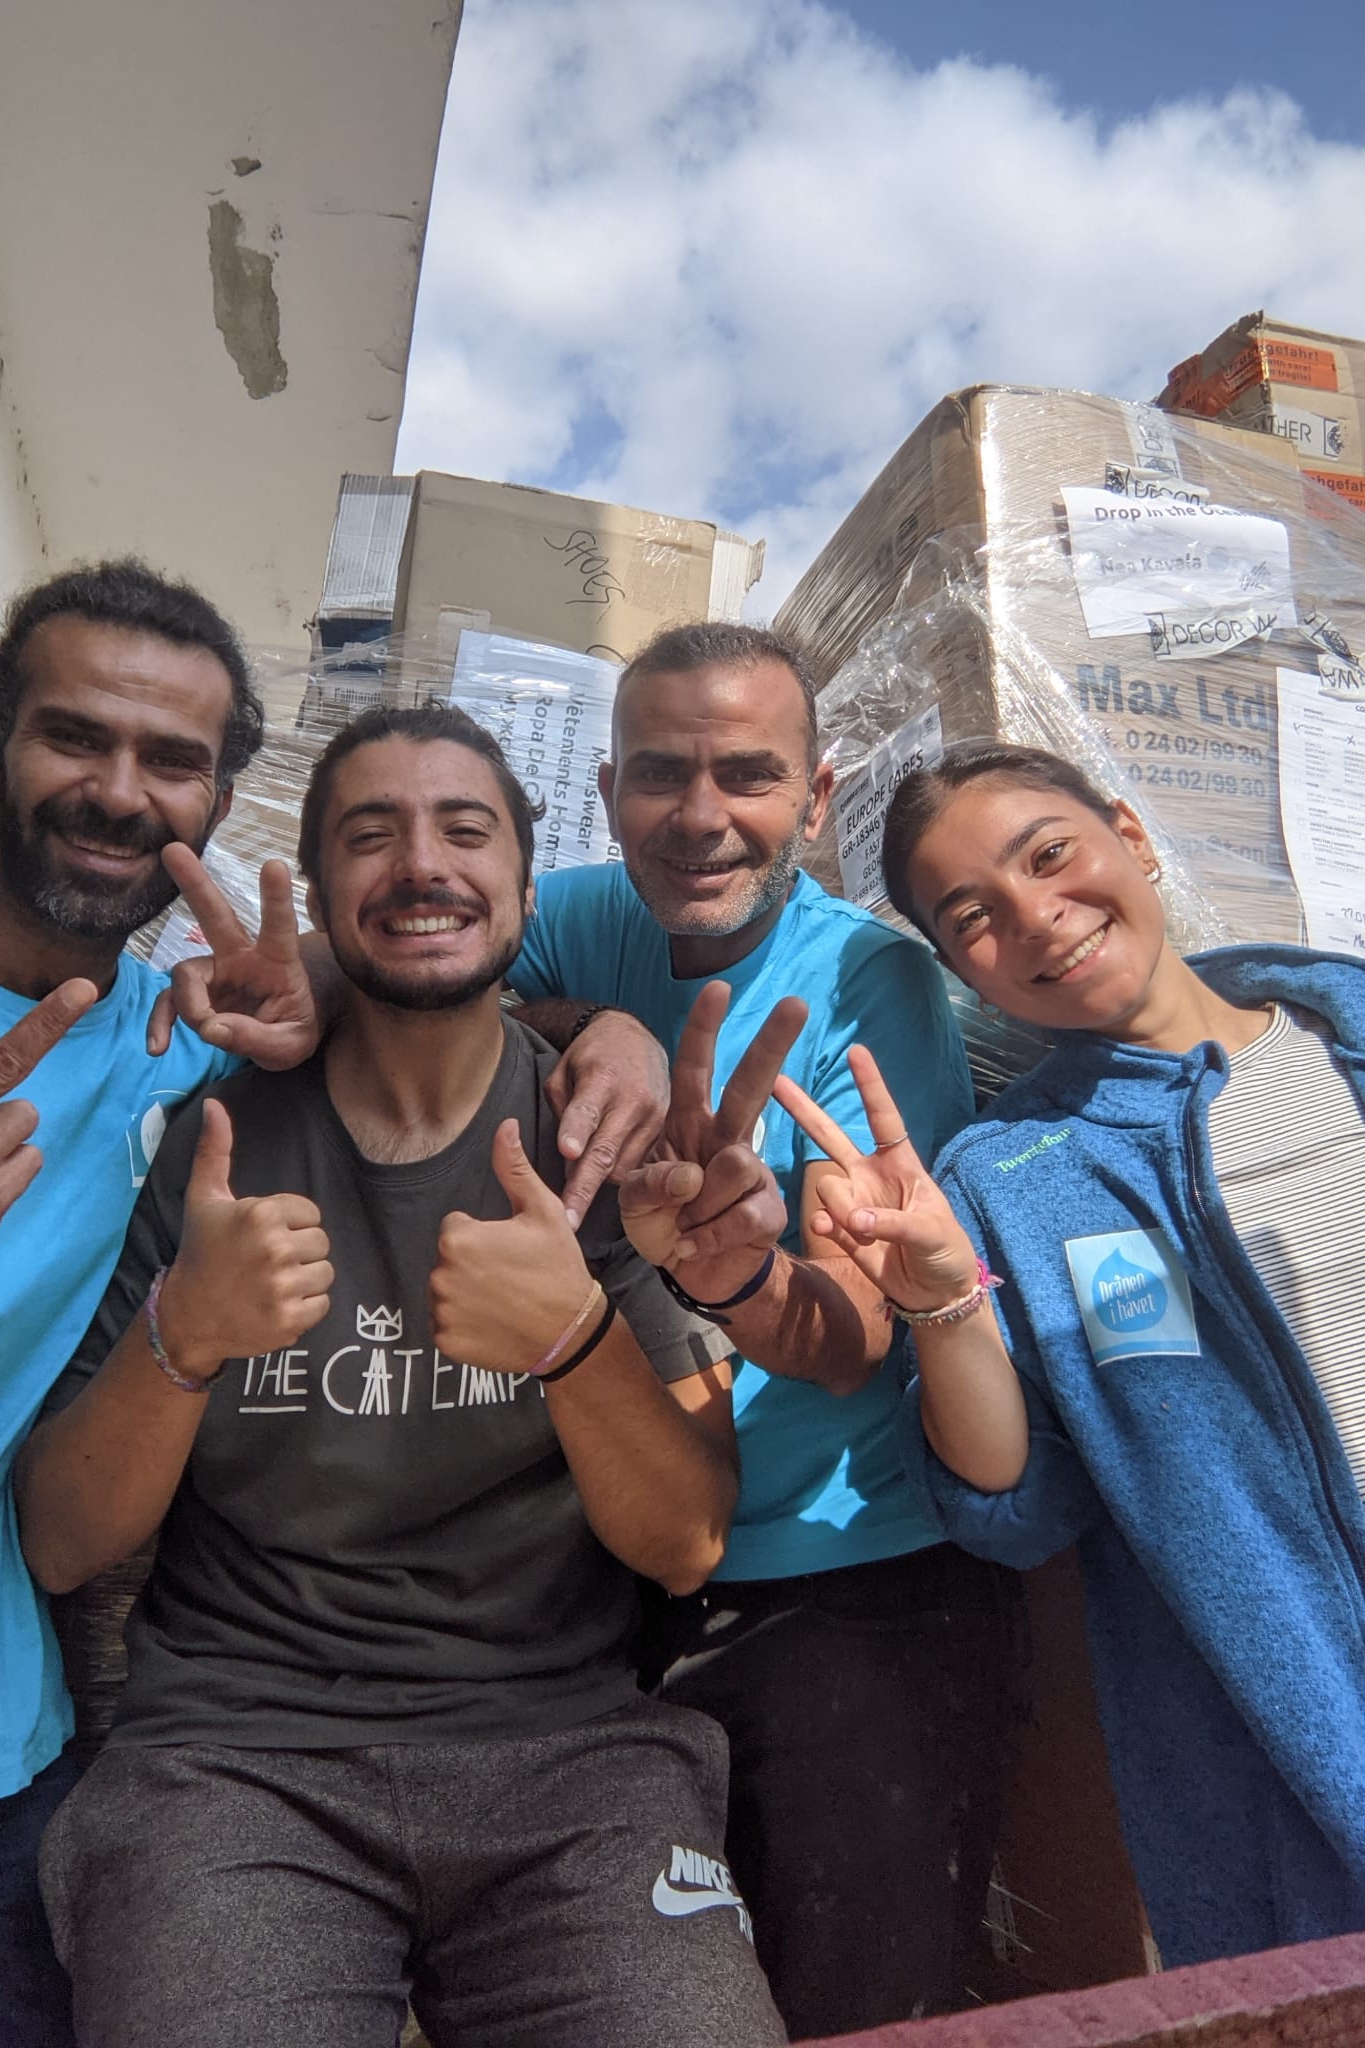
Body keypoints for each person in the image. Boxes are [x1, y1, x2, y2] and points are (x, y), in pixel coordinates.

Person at [15, 701, 791, 2048]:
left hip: (571, 1765)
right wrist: (183, 1341)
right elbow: (63, 1539)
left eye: (465, 831)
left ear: (526, 889)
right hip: (236, 1765)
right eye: (371, 836)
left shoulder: (597, 1141)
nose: (423, 866)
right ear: (323, 900)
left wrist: (574, 1342)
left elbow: (682, 1542)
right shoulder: (212, 1141)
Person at [773, 740, 1365, 1970]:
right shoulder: (1013, 1178)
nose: (1038, 917)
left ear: (1131, 832)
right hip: (1300, 1755)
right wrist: (942, 1302)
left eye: (1051, 855)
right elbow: (1016, 1504)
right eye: (973, 916)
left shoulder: (1345, 1038)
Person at [505, 622, 1018, 2036]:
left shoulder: (870, 985)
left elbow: (858, 1336)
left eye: (748, 774)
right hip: (611, 1578)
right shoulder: (577, 916)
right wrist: (585, 1026)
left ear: (818, 796)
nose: (702, 815)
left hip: (844, 1579)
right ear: (608, 793)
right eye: (662, 773)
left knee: (856, 2007)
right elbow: (422, 980)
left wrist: (738, 1280)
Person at [0, 558, 282, 2046]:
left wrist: (337, 993)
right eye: (75, 737)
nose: (119, 791)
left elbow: (456, 985)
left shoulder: (179, 1047)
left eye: (174, 762)